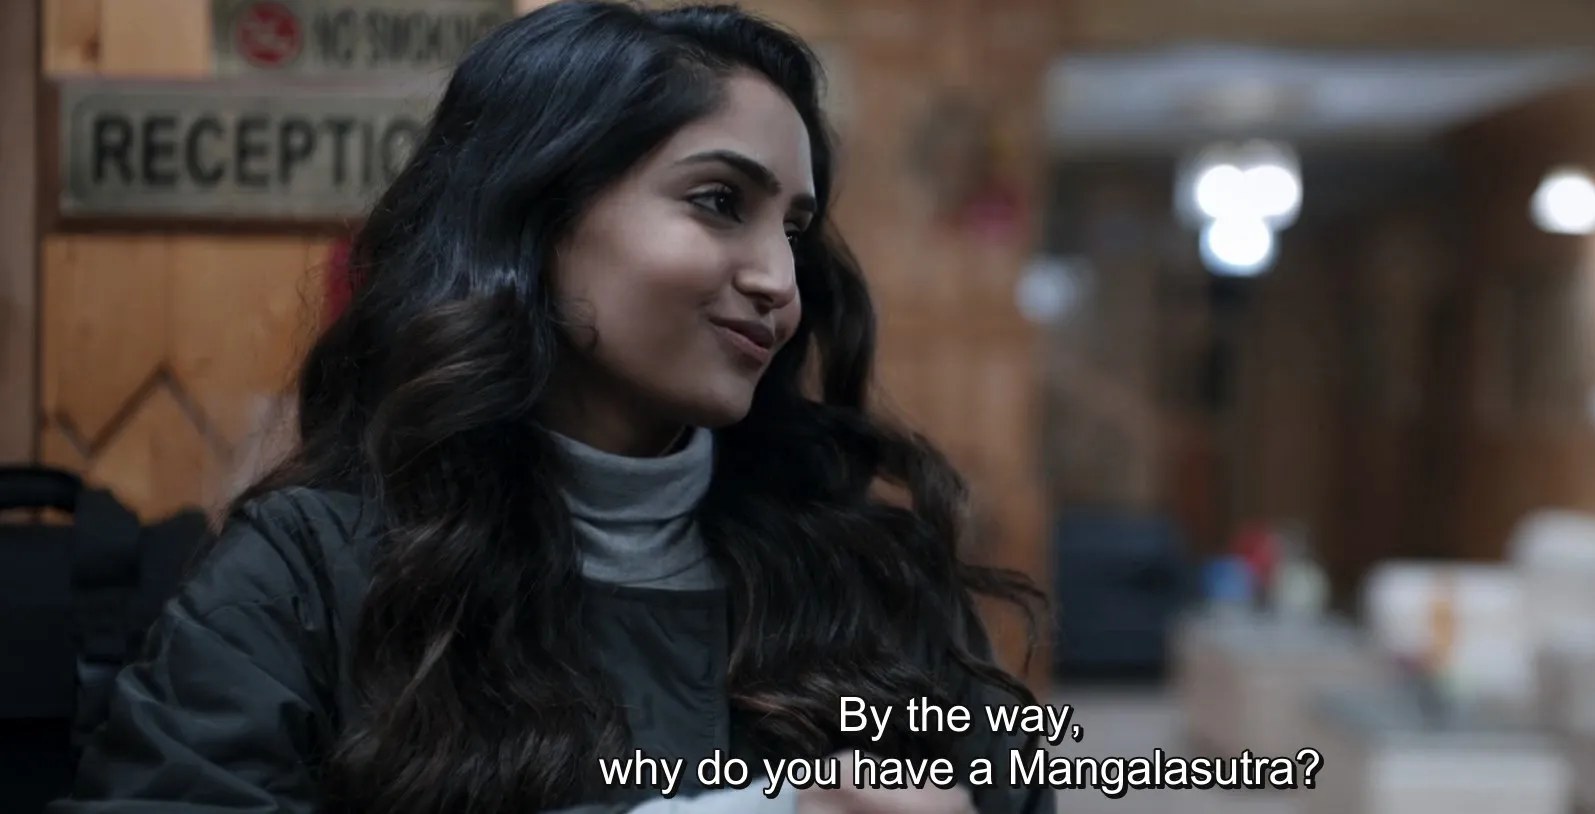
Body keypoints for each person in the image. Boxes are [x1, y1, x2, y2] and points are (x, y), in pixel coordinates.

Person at [49, 2, 1051, 813]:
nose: (779, 282)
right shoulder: (310, 571)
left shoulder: (871, 581)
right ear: (536, 212)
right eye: (718, 202)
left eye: (794, 229)